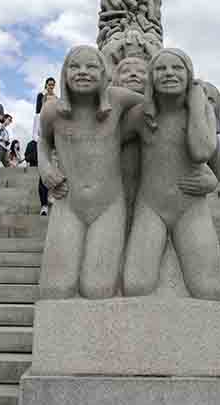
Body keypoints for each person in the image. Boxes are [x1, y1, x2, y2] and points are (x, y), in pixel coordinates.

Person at [38, 45, 143, 298]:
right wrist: (45, 166)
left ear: (104, 73)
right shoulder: (52, 110)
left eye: (91, 66)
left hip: (108, 205)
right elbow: (43, 141)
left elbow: (157, 102)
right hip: (68, 203)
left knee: (98, 289)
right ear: (64, 73)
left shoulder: (117, 99)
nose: (82, 72)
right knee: (56, 289)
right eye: (75, 66)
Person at [122, 49, 220, 300]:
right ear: (151, 78)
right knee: (136, 285)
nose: (168, 74)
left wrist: (198, 102)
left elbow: (202, 152)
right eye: (160, 69)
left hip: (190, 207)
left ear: (189, 75)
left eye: (177, 68)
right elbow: (103, 144)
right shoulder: (139, 116)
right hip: (151, 206)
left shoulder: (202, 111)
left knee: (208, 289)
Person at [34, 77, 58, 216]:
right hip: (43, 140)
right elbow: (37, 117)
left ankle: (51, 196)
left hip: (54, 140)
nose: (51, 87)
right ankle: (43, 205)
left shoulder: (56, 98)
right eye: (49, 84)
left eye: (53, 85)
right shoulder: (41, 98)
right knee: (43, 173)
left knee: (54, 168)